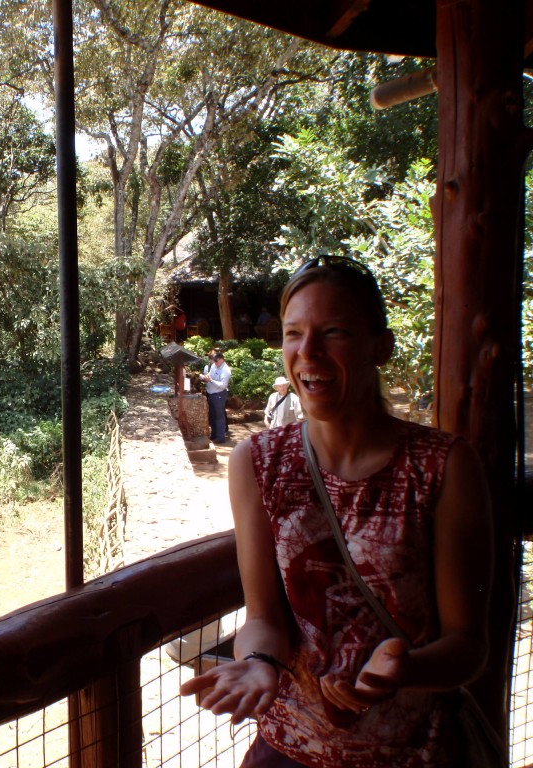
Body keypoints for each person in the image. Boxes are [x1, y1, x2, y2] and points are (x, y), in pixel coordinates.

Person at [180, 255, 492, 767]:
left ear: (381, 348)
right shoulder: (257, 462)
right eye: (293, 333)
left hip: (414, 752)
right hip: (289, 748)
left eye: (334, 332)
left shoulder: (442, 466)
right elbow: (264, 617)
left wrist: (404, 670)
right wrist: (257, 663)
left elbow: (467, 646)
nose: (308, 352)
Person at [199, 350, 231, 444]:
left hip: (219, 394)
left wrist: (211, 380)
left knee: (219, 416)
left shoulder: (226, 370)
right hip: (211, 393)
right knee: (212, 415)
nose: (215, 363)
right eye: (214, 360)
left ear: (221, 359)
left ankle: (220, 437)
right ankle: (214, 434)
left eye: (216, 361)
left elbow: (223, 385)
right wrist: (204, 378)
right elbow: (210, 375)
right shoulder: (213, 366)